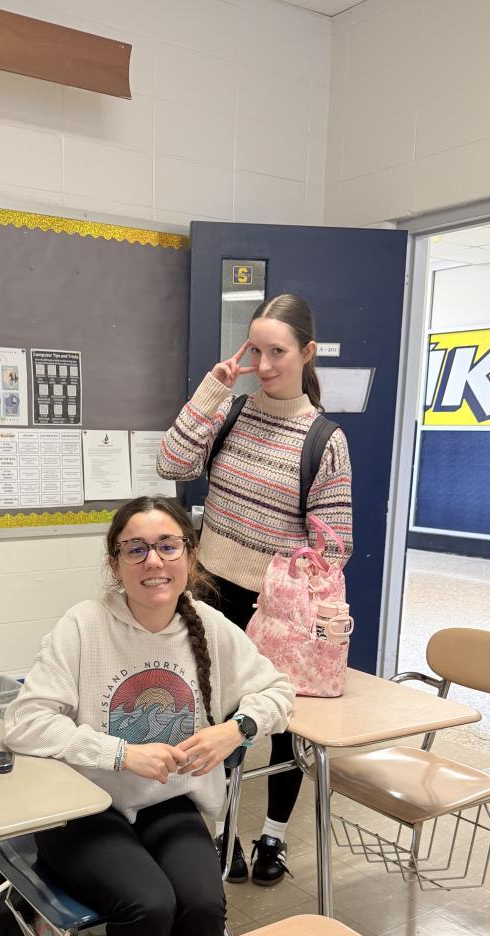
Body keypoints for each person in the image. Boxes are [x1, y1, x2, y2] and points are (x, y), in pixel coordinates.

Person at [4, 495, 294, 936]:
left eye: (167, 546)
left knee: (203, 905)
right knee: (149, 904)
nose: (153, 561)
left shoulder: (209, 625)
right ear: (114, 564)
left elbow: (279, 692)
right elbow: (25, 721)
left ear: (190, 557)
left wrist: (236, 730)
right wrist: (119, 754)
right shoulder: (84, 625)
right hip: (85, 807)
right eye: (135, 549)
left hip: (169, 802)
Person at [157, 292, 352, 887]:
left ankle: (273, 836)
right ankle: (221, 831)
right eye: (256, 351)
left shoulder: (324, 439)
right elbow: (171, 464)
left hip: (278, 609)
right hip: (210, 590)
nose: (264, 365)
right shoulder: (233, 411)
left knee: (283, 721)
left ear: (307, 353)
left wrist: (288, 574)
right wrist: (211, 392)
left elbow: (334, 547)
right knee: (213, 716)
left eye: (278, 352)